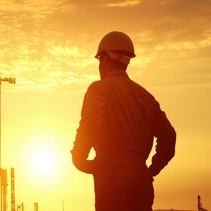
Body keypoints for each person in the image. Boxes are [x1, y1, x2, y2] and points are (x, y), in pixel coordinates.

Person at [71, 31, 176, 211]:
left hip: (111, 174)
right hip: (140, 177)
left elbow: (90, 124)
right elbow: (169, 136)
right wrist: (152, 169)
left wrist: (79, 157)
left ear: (103, 58)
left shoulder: (99, 89)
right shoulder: (146, 97)